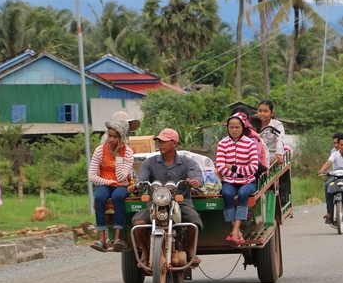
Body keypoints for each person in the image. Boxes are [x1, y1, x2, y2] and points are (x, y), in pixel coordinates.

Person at [129, 128, 203, 265]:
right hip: (155, 204)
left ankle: (191, 251)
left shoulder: (188, 162)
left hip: (181, 203)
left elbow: (198, 180)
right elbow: (142, 182)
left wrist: (195, 181)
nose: (160, 144)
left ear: (174, 143)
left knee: (194, 222)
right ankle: (145, 251)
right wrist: (137, 186)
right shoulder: (149, 162)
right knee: (138, 223)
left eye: (164, 141)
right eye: (159, 141)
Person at [88, 118, 134, 252]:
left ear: (122, 139)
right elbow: (92, 176)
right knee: (100, 197)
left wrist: (118, 155)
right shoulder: (100, 151)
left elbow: (121, 177)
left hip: (121, 185)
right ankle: (102, 239)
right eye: (109, 135)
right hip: (105, 183)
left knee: (118, 197)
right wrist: (109, 182)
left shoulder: (128, 153)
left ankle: (118, 238)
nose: (111, 139)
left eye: (115, 137)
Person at [216, 113, 259, 246]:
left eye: (237, 127)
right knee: (227, 194)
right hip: (229, 181)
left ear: (242, 128)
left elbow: (253, 168)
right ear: (228, 128)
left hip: (248, 182)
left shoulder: (250, 143)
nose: (234, 130)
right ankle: (237, 232)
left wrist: (234, 169)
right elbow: (220, 167)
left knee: (243, 194)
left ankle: (234, 230)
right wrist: (241, 171)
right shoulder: (222, 144)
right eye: (231, 127)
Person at [256, 99, 285, 165]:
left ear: (271, 113)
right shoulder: (252, 124)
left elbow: (280, 139)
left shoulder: (277, 124)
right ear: (257, 112)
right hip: (257, 156)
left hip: (273, 155)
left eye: (265, 111)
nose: (262, 114)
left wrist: (278, 153)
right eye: (260, 111)